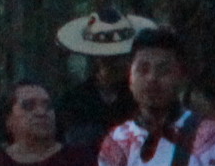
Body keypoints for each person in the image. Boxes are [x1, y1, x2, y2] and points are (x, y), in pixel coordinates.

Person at [52, 10, 146, 149]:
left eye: (120, 57)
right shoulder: (72, 101)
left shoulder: (142, 98)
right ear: (97, 59)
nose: (116, 64)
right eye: (108, 59)